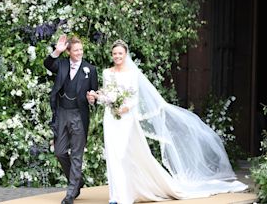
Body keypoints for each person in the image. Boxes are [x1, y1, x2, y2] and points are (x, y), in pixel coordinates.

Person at [93, 39, 248, 204]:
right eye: (115, 53)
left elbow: (134, 97)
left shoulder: (132, 73)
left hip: (126, 118)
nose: (117, 56)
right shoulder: (107, 73)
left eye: (120, 53)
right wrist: (98, 97)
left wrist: (124, 108)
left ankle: (125, 196)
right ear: (112, 55)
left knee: (123, 155)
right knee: (112, 154)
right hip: (111, 118)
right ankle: (114, 196)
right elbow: (106, 95)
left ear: (125, 55)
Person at [44, 35, 98, 204]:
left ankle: (70, 194)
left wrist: (92, 99)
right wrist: (56, 51)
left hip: (79, 115)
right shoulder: (61, 64)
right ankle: (78, 181)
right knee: (59, 152)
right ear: (68, 52)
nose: (79, 53)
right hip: (62, 113)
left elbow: (94, 95)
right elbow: (47, 64)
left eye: (81, 50)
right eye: (76, 50)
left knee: (76, 154)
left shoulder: (90, 69)